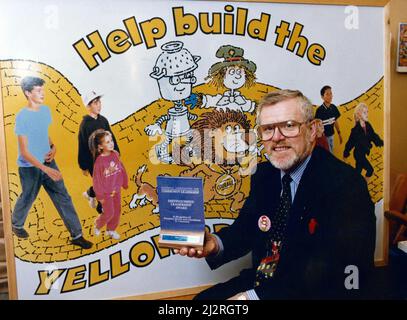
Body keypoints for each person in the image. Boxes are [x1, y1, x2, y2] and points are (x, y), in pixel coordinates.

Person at [176, 89, 376, 300]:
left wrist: (250, 298)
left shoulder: (346, 185)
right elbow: (246, 229)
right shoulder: (264, 174)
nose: (277, 137)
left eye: (289, 126)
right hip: (263, 279)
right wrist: (215, 243)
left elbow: (338, 271)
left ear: (312, 129)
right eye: (268, 129)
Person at [11, 76, 93, 249]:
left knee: (63, 197)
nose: (42, 93)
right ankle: (16, 224)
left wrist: (53, 147)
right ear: (28, 93)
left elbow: (44, 135)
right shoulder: (22, 117)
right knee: (28, 196)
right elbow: (24, 152)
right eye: (38, 90)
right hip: (30, 168)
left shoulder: (44, 111)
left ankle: (77, 235)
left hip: (48, 163)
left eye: (43, 89)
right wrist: (45, 169)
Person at [78, 91, 120, 214]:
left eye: (99, 102)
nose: (99, 105)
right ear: (88, 106)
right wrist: (83, 165)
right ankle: (102, 209)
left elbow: (111, 137)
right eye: (95, 103)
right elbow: (82, 146)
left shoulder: (103, 121)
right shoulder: (85, 125)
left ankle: (90, 193)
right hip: (94, 163)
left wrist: (116, 151)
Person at [90, 129, 128, 240]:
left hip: (116, 190)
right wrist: (100, 196)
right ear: (100, 146)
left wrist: (124, 182)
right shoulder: (99, 162)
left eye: (111, 140)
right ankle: (98, 224)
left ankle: (111, 230)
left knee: (117, 211)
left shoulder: (115, 154)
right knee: (109, 212)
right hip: (106, 193)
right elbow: (97, 181)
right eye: (107, 142)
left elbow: (121, 169)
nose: (111, 143)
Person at [343, 103, 383, 180]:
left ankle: (353, 184)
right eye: (364, 112)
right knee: (370, 170)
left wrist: (380, 142)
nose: (367, 114)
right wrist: (346, 154)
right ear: (359, 114)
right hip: (358, 154)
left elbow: (373, 135)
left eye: (367, 112)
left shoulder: (368, 125)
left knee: (357, 172)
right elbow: (350, 143)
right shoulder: (355, 130)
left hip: (363, 153)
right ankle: (362, 186)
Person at [315, 86, 342, 153]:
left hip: (331, 135)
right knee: (328, 153)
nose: (330, 96)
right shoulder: (320, 110)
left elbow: (335, 121)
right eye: (327, 94)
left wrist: (339, 133)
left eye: (331, 93)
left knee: (331, 151)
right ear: (322, 97)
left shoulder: (333, 108)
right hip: (324, 137)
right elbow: (317, 125)